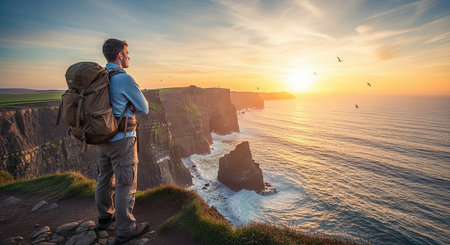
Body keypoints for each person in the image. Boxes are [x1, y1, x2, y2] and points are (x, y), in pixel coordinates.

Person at [95, 38, 149, 244]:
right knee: (126, 183)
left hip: (102, 138)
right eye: (127, 52)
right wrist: (132, 106)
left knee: (104, 179)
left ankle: (104, 217)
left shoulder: (99, 77)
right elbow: (144, 108)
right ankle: (126, 229)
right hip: (122, 140)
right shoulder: (124, 79)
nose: (129, 56)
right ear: (120, 55)